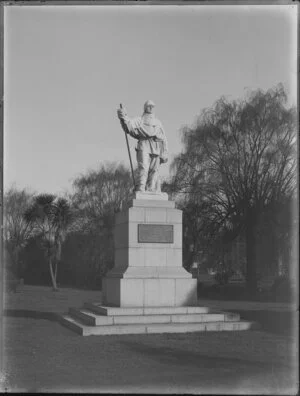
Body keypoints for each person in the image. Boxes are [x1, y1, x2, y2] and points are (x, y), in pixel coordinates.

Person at [117, 100, 168, 193]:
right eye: (149, 106)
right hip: (144, 145)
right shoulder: (139, 120)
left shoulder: (158, 122)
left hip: (156, 146)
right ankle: (141, 187)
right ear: (145, 107)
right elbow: (129, 126)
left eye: (153, 106)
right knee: (144, 167)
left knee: (154, 169)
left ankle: (151, 188)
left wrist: (165, 152)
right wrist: (123, 117)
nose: (151, 108)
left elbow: (164, 138)